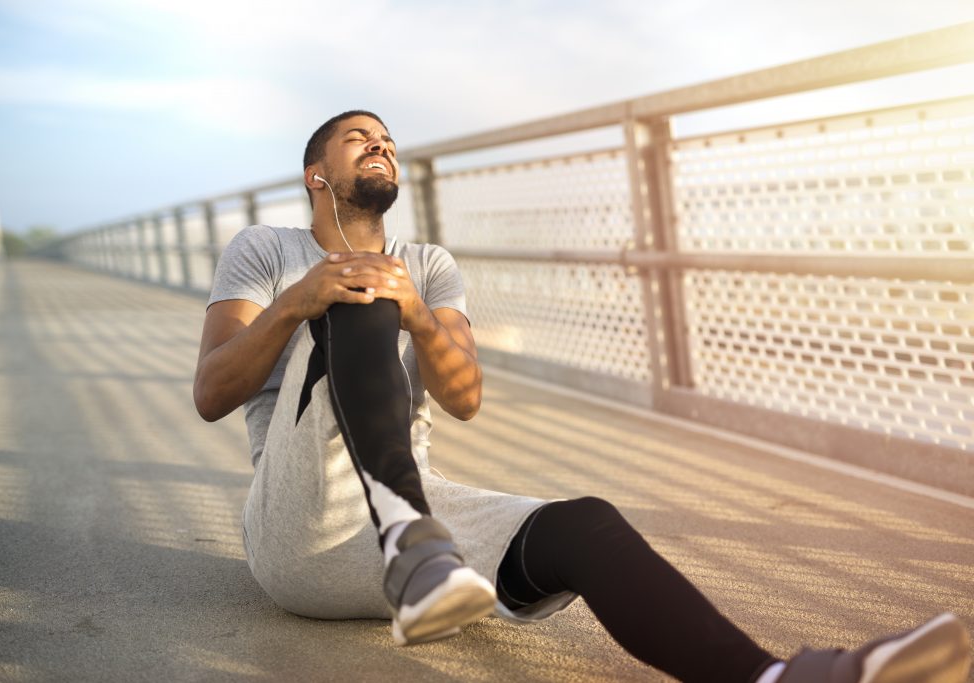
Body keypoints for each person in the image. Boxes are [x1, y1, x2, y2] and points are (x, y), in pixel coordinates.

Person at [194, 110, 971, 683]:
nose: (383, 148)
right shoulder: (267, 250)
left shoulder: (428, 262)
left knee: (586, 524)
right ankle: (409, 539)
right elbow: (211, 390)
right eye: (362, 139)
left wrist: (423, 318)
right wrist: (300, 298)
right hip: (300, 525)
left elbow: (463, 398)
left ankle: (768, 678)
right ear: (316, 174)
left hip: (432, 533)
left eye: (390, 142)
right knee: (355, 289)